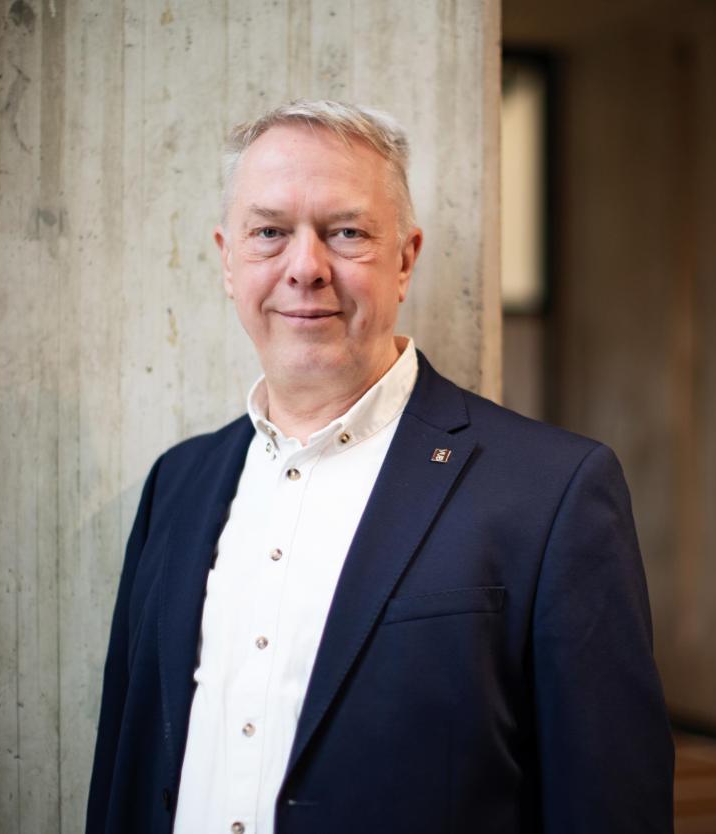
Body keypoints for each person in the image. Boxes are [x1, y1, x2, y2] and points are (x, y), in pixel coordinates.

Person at [86, 100, 674, 834]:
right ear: (227, 260)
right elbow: (125, 764)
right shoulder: (177, 485)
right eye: (269, 232)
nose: (306, 268)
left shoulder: (551, 492)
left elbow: (610, 805)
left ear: (404, 259)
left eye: (347, 233)